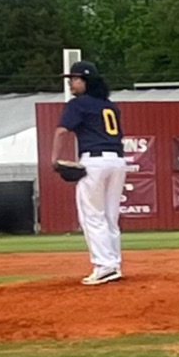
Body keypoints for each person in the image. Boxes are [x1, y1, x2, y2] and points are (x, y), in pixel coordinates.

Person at [51, 61, 127, 286]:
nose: (71, 83)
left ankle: (105, 266)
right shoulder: (110, 106)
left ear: (86, 81)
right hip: (117, 161)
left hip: (94, 161)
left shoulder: (78, 104)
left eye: (74, 79)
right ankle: (113, 263)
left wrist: (54, 159)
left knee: (92, 216)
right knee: (110, 217)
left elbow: (62, 132)